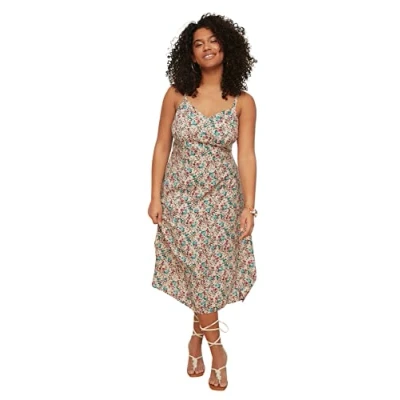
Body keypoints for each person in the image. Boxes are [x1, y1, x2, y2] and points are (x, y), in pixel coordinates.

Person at [148, 13, 258, 391]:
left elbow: (247, 156)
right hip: (180, 200)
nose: (207, 47)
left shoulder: (243, 102)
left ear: (227, 47)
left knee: (209, 277)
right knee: (198, 273)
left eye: (213, 40)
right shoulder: (176, 95)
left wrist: (248, 206)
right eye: (198, 43)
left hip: (222, 200)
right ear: (190, 54)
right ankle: (217, 350)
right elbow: (162, 145)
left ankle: (199, 342)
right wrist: (155, 196)